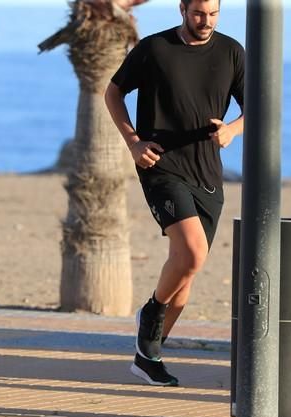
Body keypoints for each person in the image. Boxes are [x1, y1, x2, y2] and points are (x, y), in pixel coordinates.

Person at [105, 0, 244, 386]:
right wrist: (133, 142)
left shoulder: (232, 52)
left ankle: (147, 356)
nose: (206, 21)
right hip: (161, 167)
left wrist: (232, 129)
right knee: (193, 253)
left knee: (186, 274)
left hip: (208, 175)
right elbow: (113, 93)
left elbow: (257, 108)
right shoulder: (154, 49)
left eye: (214, 14)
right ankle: (151, 312)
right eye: (199, 13)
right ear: (182, 9)